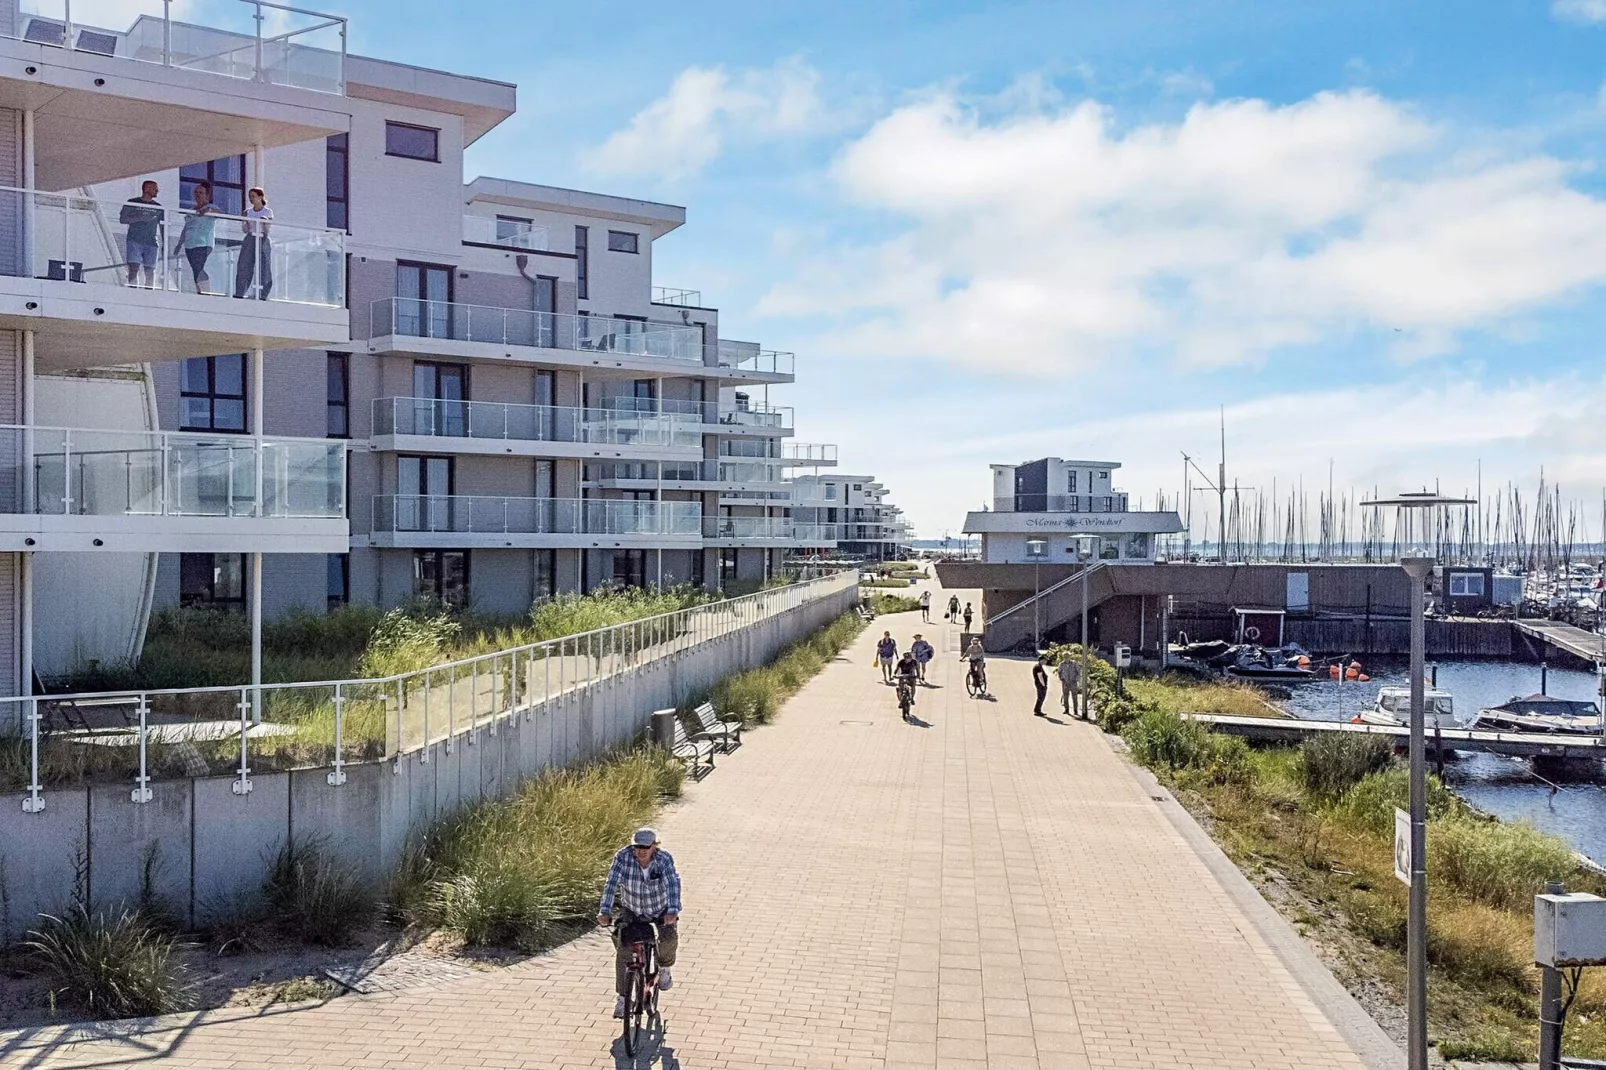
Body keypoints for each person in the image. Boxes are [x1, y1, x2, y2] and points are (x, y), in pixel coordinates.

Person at [598, 827, 681, 1019]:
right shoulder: (622, 857)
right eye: (637, 847)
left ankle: (664, 968)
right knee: (623, 947)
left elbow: (673, 884)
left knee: (668, 938)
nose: (641, 851)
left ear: (654, 846)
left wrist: (672, 910)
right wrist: (604, 911)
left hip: (659, 909)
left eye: (645, 847)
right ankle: (623, 998)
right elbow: (611, 884)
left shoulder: (663, 859)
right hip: (633, 908)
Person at [174, 181, 219, 294]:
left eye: (201, 192)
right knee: (195, 268)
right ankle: (200, 291)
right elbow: (186, 228)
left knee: (198, 267)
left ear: (207, 195)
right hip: (190, 244)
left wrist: (207, 211)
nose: (197, 194)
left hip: (203, 243)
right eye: (196, 192)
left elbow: (218, 212)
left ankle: (206, 291)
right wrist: (179, 244)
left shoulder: (210, 207)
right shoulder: (191, 210)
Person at [119, 181, 163, 288]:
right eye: (155, 188)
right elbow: (123, 219)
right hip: (134, 240)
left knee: (150, 270)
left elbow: (163, 225)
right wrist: (140, 218)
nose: (157, 191)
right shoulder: (132, 202)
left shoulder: (158, 207)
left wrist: (165, 243)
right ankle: (133, 289)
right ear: (146, 189)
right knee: (133, 267)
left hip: (151, 242)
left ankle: (149, 292)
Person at [234, 186, 273, 300]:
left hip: (262, 237)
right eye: (250, 196)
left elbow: (267, 230)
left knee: (264, 266)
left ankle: (262, 293)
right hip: (250, 237)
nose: (251, 199)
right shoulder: (249, 212)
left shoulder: (267, 211)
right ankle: (240, 292)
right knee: (244, 264)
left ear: (260, 197)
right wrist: (245, 220)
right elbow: (246, 230)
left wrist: (264, 222)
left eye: (253, 196)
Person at [894, 649, 920, 719]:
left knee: (913, 686)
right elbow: (897, 669)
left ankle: (912, 698)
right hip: (903, 676)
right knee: (899, 688)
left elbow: (917, 669)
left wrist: (918, 675)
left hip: (911, 676)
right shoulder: (901, 662)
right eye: (906, 658)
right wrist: (894, 674)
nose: (907, 659)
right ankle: (900, 701)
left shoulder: (914, 662)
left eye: (909, 658)